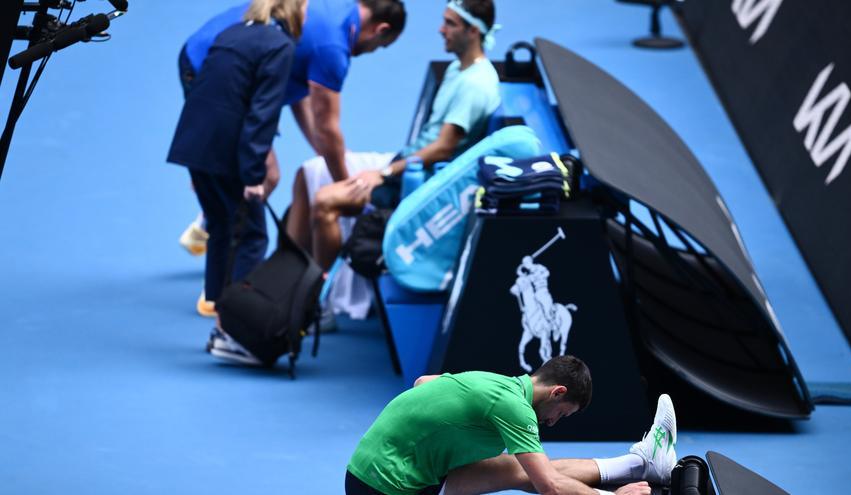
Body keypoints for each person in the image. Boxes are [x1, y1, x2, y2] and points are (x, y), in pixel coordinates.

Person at [174, 0, 407, 318]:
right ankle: (225, 289)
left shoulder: (324, 21)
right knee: (254, 185)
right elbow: (325, 126)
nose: (372, 50)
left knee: (243, 178)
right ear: (381, 30)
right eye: (381, 46)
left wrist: (325, 156)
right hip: (209, 71)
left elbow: (299, 99)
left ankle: (211, 226)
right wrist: (344, 185)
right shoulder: (332, 48)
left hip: (214, 59)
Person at [287, 0, 501, 320]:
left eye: (450, 24)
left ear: (473, 31)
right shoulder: (460, 68)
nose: (441, 29)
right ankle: (288, 279)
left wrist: (384, 173)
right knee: (308, 172)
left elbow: (443, 148)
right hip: (408, 162)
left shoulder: (476, 84)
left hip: (421, 179)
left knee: (326, 201)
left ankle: (319, 303)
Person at [166, 0, 307, 346]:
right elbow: (261, 114)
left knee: (220, 226)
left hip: (193, 146)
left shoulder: (230, 33)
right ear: (293, 10)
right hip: (228, 153)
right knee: (252, 236)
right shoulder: (279, 47)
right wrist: (252, 175)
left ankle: (216, 302)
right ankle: (234, 329)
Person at [346, 356, 677, 495]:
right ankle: (638, 464)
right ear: (557, 392)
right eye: (562, 413)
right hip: (388, 489)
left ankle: (641, 463)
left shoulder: (493, 382)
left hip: (364, 472)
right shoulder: (515, 409)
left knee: (518, 470)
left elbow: (422, 382)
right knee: (533, 475)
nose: (553, 422)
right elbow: (549, 487)